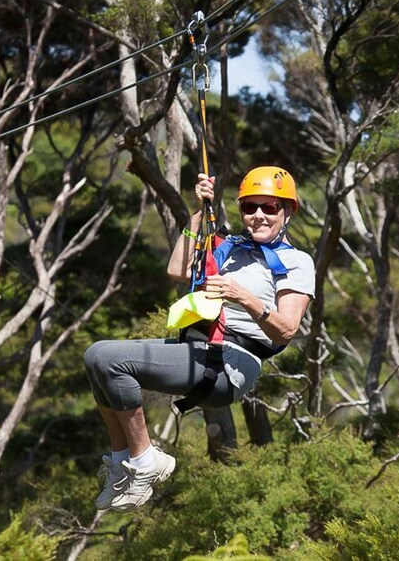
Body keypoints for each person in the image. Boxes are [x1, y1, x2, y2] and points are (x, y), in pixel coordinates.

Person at [83, 166, 315, 512]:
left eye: (269, 207)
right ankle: (123, 463)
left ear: (287, 212)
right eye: (250, 207)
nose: (258, 216)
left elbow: (286, 329)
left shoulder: (297, 262)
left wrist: (243, 297)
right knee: (96, 356)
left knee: (110, 361)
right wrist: (199, 213)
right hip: (196, 348)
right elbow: (177, 269)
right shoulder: (230, 247)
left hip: (230, 362)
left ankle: (146, 458)